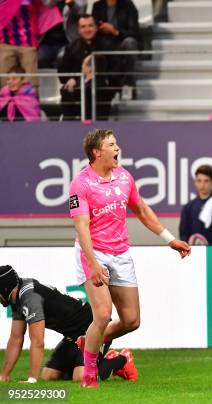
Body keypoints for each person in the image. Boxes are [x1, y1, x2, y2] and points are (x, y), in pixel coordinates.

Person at [69, 128, 191, 388]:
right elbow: (81, 227)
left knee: (131, 321)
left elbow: (142, 210)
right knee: (102, 314)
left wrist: (169, 238)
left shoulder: (124, 177)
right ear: (96, 152)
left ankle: (88, 339)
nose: (117, 149)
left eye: (116, 144)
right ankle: (89, 375)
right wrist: (93, 263)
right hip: (94, 252)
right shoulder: (81, 184)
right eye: (111, 145)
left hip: (121, 253)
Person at [0, 265, 137, 384]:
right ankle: (91, 363)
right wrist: (4, 376)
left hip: (92, 328)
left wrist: (32, 380)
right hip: (72, 335)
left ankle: (121, 360)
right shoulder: (18, 297)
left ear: (4, 289)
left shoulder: (30, 298)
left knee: (81, 377)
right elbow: (16, 339)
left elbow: (37, 342)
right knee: (49, 376)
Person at [58, 14, 116, 120]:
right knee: (66, 90)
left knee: (96, 89)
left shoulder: (107, 45)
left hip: (100, 87)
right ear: (79, 30)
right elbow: (62, 70)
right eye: (83, 27)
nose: (87, 30)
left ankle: (95, 129)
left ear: (96, 27)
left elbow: (115, 70)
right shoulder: (71, 47)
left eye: (90, 26)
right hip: (77, 86)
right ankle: (69, 126)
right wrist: (71, 78)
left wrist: (101, 78)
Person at [92, 0, 140, 94]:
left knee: (130, 42)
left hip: (122, 42)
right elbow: (93, 27)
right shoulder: (97, 6)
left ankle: (128, 85)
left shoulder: (128, 5)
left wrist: (115, 31)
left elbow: (134, 33)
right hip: (104, 44)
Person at [179, 165, 212, 246]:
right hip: (192, 253)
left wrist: (210, 252)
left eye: (206, 181)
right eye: (199, 181)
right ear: (195, 182)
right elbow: (183, 234)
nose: (202, 185)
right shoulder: (188, 207)